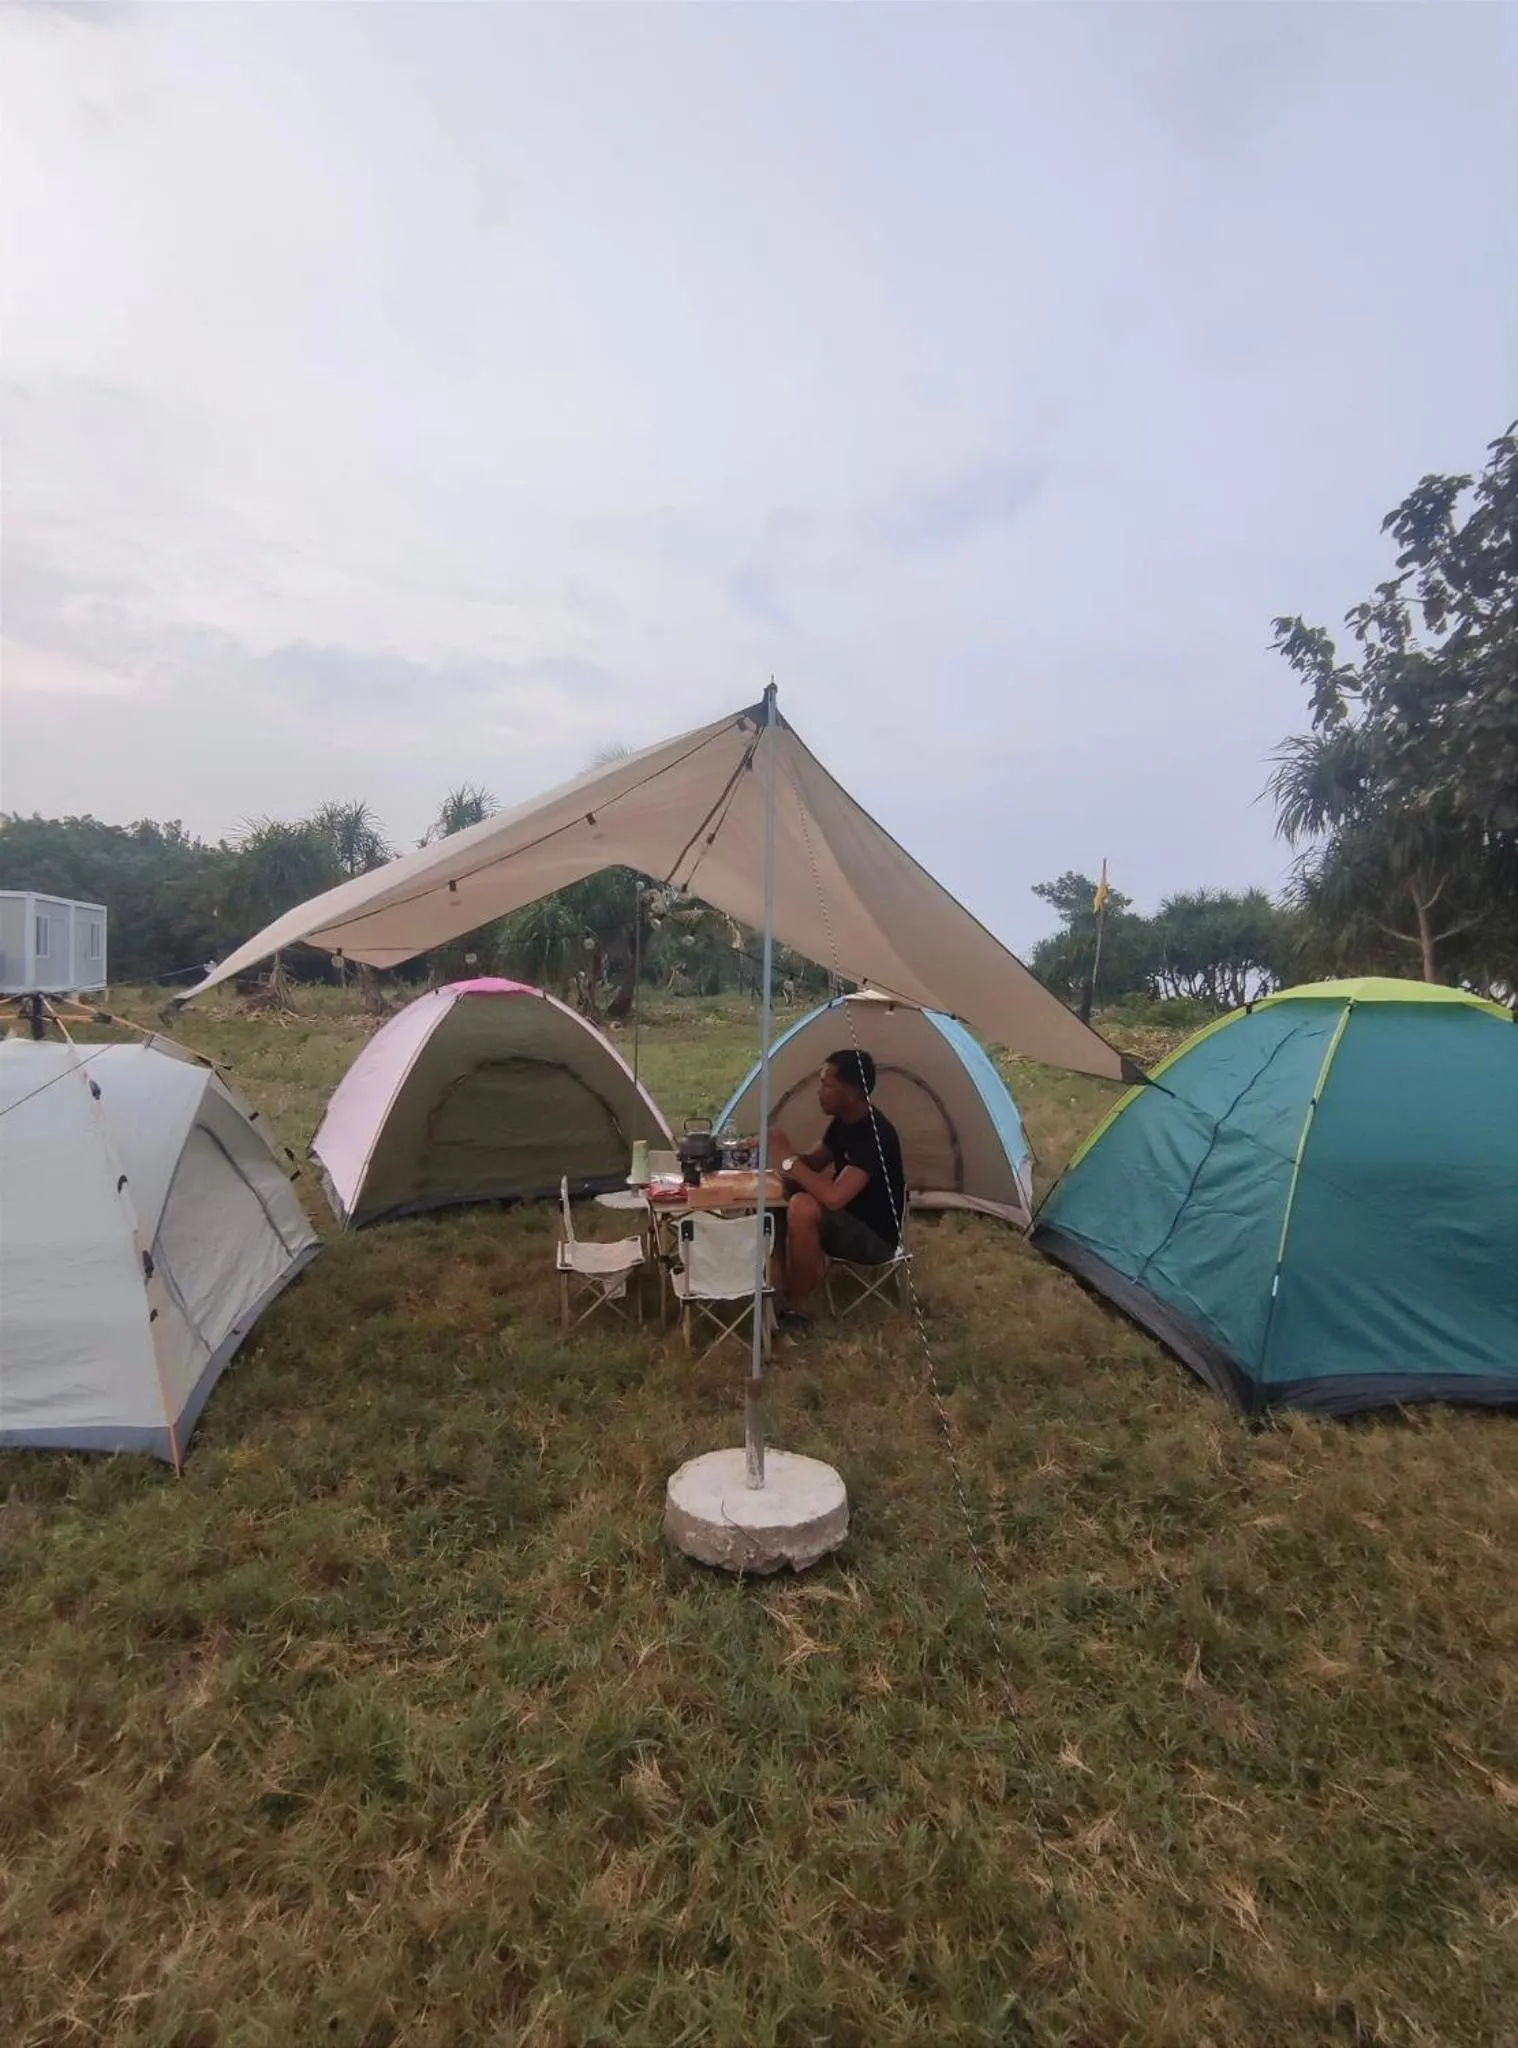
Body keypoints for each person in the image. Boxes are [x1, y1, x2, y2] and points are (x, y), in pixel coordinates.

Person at [768, 1048, 905, 1328]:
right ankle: (778, 1292)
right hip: (848, 1219)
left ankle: (799, 1308)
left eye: (826, 1085)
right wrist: (779, 1155)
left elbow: (833, 1198)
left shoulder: (875, 1136)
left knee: (803, 1207)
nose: (819, 1092)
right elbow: (814, 1162)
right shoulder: (844, 1122)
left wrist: (789, 1160)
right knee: (775, 1195)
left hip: (875, 1239)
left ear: (852, 1092)